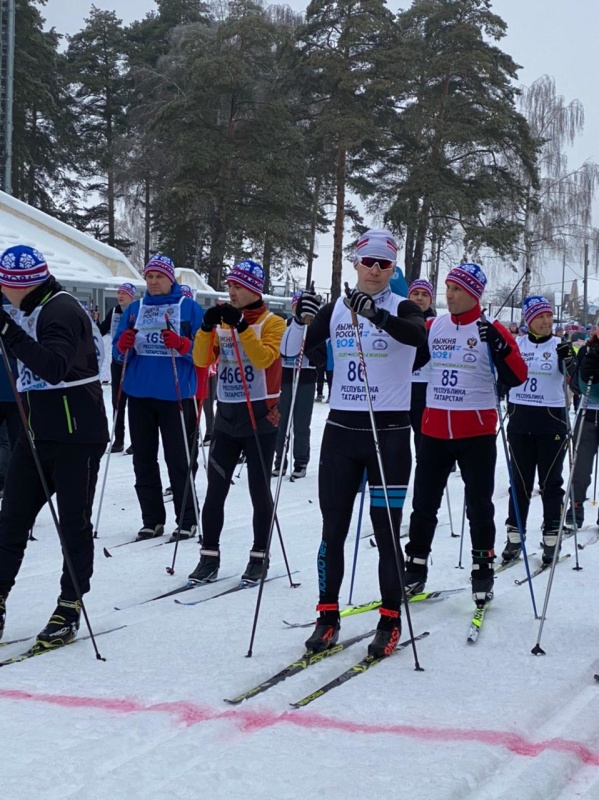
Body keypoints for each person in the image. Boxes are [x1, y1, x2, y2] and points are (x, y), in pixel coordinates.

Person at [282, 229, 426, 657]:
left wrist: (377, 317)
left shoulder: (402, 305)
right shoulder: (337, 309)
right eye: (370, 262)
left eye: (385, 264)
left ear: (393, 268)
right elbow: (298, 352)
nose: (376, 270)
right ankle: (327, 618)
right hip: (343, 433)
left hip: (391, 434)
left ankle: (390, 619)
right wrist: (298, 317)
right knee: (333, 530)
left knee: (385, 534)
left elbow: (417, 337)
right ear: (357, 263)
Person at [0, 245, 109, 646]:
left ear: (21, 285)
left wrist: (8, 331)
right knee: (11, 517)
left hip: (77, 434)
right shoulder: (28, 306)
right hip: (39, 431)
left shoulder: (60, 310)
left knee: (72, 523)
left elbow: (54, 366)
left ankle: (69, 604)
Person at [403, 263, 527, 608]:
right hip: (434, 429)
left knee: (479, 505)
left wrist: (501, 348)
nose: (450, 295)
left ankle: (482, 570)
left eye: (457, 289)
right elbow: (410, 360)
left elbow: (518, 376)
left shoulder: (492, 328)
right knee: (424, 504)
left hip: (476, 431)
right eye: (448, 288)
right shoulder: (435, 325)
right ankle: (414, 566)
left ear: (474, 293)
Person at [189, 260, 286, 584]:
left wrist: (242, 327)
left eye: (238, 286)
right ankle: (208, 557)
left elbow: (263, 359)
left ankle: (259, 556)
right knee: (215, 489)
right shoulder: (222, 320)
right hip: (227, 417)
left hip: (260, 417)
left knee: (259, 490)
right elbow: (202, 360)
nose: (231, 291)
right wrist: (205, 329)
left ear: (254, 290)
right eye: (229, 285)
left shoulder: (274, 323)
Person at [113, 255, 203, 542]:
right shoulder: (135, 309)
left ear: (171, 279)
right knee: (143, 459)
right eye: (149, 276)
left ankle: (187, 519)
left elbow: (205, 353)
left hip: (175, 395)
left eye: (159, 277)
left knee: (178, 459)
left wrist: (183, 344)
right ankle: (151, 519)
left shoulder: (189, 308)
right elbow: (117, 352)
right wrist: (123, 346)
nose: (153, 282)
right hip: (139, 394)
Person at [500, 296, 577, 565]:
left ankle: (551, 536)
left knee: (550, 482)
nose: (546, 322)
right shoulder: (517, 344)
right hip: (520, 419)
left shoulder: (560, 345)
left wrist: (570, 362)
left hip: (551, 420)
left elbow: (576, 382)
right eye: (540, 317)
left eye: (549, 316)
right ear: (528, 319)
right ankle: (514, 536)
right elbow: (503, 373)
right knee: (519, 483)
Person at [273, 291, 325, 479]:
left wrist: (306, 347)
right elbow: (278, 351)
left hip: (306, 380)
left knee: (302, 424)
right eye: (296, 305)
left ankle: (301, 461)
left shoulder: (315, 328)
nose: (299, 309)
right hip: (286, 379)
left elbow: (321, 360)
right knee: (282, 422)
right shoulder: (286, 326)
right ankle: (280, 461)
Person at [99, 282, 137, 453]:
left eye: (124, 293)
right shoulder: (114, 311)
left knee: (135, 402)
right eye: (119, 293)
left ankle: (136, 440)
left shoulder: (137, 311)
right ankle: (118, 439)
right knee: (117, 401)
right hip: (117, 360)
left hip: (133, 361)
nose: (120, 296)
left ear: (132, 296)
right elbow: (101, 330)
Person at [407, 278, 436, 455]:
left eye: (425, 295)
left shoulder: (437, 324)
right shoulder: (399, 319)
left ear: (430, 300)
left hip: (426, 386)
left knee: (423, 435)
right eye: (415, 294)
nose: (419, 298)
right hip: (401, 385)